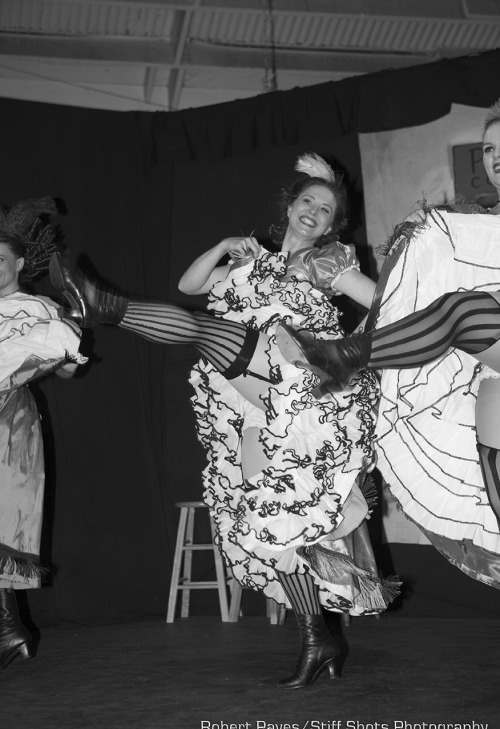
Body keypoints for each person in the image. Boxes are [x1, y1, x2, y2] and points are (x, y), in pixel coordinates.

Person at [50, 154, 399, 688]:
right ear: (288, 206)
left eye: (325, 209)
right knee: (269, 521)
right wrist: (223, 247)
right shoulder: (248, 260)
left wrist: (346, 338)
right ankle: (317, 637)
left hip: (299, 387)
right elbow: (191, 285)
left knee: (211, 337)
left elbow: (383, 302)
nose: (312, 212)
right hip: (251, 407)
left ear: (333, 225)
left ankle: (107, 307)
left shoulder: (327, 261)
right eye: (307, 201)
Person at [276, 101, 500, 590]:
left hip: (481, 330)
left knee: (466, 309)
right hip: (492, 370)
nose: (496, 155)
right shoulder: (472, 230)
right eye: (489, 147)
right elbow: (406, 307)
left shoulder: (471, 236)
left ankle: (341, 358)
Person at [0, 198, 87, 670]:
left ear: (17, 263)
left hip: (7, 420)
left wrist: (72, 348)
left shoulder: (35, 307)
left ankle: (8, 628)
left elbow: (66, 370)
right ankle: (8, 628)